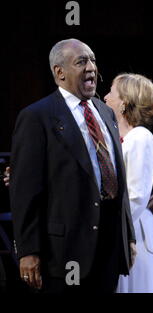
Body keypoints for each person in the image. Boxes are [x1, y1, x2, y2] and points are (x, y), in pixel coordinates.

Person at [9, 38, 136, 293]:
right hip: (64, 251)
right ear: (60, 72)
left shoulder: (105, 111)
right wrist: (28, 250)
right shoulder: (37, 117)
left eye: (93, 60)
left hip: (109, 246)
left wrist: (128, 236)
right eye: (81, 62)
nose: (91, 67)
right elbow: (25, 191)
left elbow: (116, 175)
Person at [104, 73, 153, 293]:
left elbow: (136, 195)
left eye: (111, 92)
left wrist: (112, 228)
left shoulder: (140, 137)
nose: (106, 97)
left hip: (132, 232)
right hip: (120, 232)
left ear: (124, 103)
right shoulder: (112, 138)